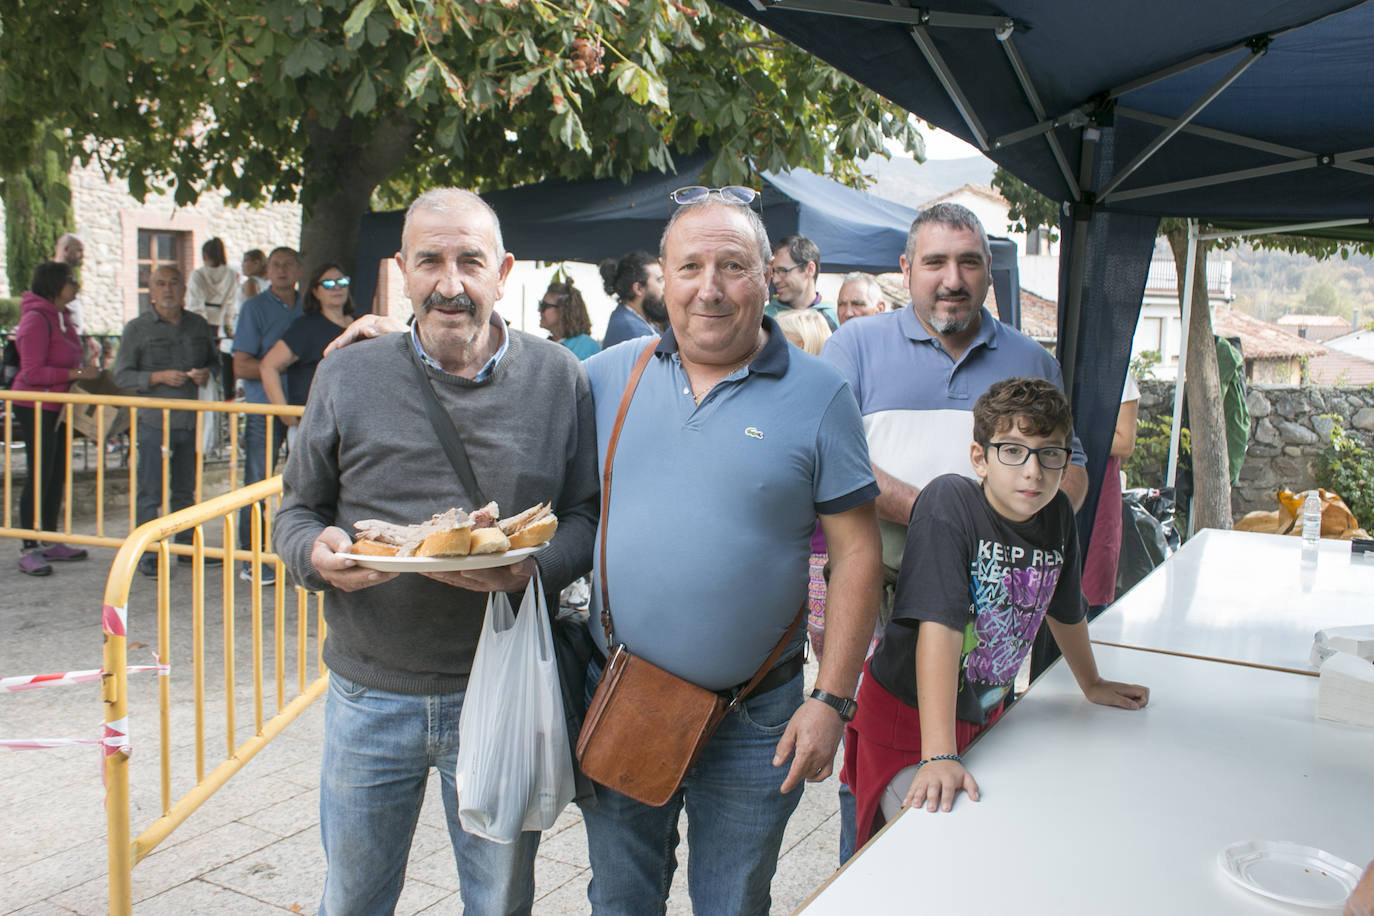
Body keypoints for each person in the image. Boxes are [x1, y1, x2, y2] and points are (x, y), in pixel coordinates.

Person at [272, 188, 598, 915]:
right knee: (354, 899)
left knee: (499, 903)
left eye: (469, 261)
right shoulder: (347, 374)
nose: (450, 283)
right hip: (368, 693)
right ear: (402, 270)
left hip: (502, 689)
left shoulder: (558, 378)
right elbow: (297, 508)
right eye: (430, 262)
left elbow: (584, 517)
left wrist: (533, 565)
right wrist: (313, 553)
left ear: (503, 270)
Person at [578, 191, 881, 915]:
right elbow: (502, 379)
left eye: (732, 267)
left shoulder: (821, 394)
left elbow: (858, 553)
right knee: (620, 902)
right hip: (626, 700)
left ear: (767, 276)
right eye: (690, 267)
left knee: (734, 904)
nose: (709, 288)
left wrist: (833, 700)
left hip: (758, 720)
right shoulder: (606, 377)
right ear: (664, 277)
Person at [820, 201, 1088, 863]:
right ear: (905, 270)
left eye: (969, 262)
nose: (953, 278)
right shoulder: (855, 345)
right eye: (935, 261)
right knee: (875, 762)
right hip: (875, 594)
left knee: (966, 774)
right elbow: (826, 457)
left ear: (989, 276)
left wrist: (994, 524)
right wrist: (949, 516)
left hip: (991, 611)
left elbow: (1072, 470)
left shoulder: (1030, 360)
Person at [843, 378, 1150, 849]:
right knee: (924, 848)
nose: (1033, 471)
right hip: (910, 719)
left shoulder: (1058, 515)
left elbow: (1064, 610)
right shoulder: (950, 503)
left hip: (985, 713)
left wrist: (1091, 682)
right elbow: (940, 631)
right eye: (1013, 451)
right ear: (979, 458)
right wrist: (938, 753)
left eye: (1050, 454)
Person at [113, 266, 219, 577]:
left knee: (186, 490)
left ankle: (186, 548)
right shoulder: (137, 328)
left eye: (174, 283)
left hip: (190, 420)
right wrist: (157, 376)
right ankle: (147, 554)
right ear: (151, 289)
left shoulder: (198, 325)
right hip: (153, 422)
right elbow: (122, 374)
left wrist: (205, 373)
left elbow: (214, 362)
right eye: (161, 283)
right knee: (150, 491)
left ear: (184, 288)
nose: (168, 289)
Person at [11, 261, 100, 576]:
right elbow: (31, 372)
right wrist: (76, 373)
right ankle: (28, 546)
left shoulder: (64, 318)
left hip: (60, 406)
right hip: (36, 406)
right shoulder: (36, 320)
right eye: (70, 281)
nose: (76, 286)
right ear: (53, 285)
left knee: (57, 473)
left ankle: (48, 537)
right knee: (39, 473)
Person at [232, 246, 301, 583]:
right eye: (276, 265)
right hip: (264, 408)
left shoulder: (309, 307)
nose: (282, 270)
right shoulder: (254, 308)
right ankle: (251, 558)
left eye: (289, 264)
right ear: (267, 271)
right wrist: (276, 368)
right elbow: (240, 364)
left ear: (300, 269)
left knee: (308, 484)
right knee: (257, 484)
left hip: (305, 409)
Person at [776, 308, 838, 662]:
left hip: (821, 551)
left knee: (823, 635)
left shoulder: (824, 407)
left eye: (792, 349)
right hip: (793, 552)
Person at [259, 263, 355, 440]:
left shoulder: (360, 324)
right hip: (314, 426)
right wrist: (285, 413)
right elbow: (268, 366)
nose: (336, 287)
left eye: (341, 281)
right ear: (315, 292)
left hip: (353, 423)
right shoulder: (305, 328)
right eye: (327, 283)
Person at [1080, 374, 1140, 616]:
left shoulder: (1120, 377)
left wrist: (1071, 432)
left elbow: (1125, 443)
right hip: (1056, 482)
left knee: (1090, 591)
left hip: (1099, 488)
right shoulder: (1059, 362)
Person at [765, 235, 839, 331]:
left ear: (810, 269)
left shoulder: (835, 318)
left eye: (783, 271)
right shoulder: (765, 318)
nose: (775, 280)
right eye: (774, 272)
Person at [598, 250, 666, 348]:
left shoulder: (631, 319)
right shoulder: (633, 331)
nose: (666, 287)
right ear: (638, 288)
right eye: (660, 280)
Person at [538, 279, 600, 359]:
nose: (539, 310)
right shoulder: (544, 346)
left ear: (563, 310)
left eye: (544, 306)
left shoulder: (587, 347)